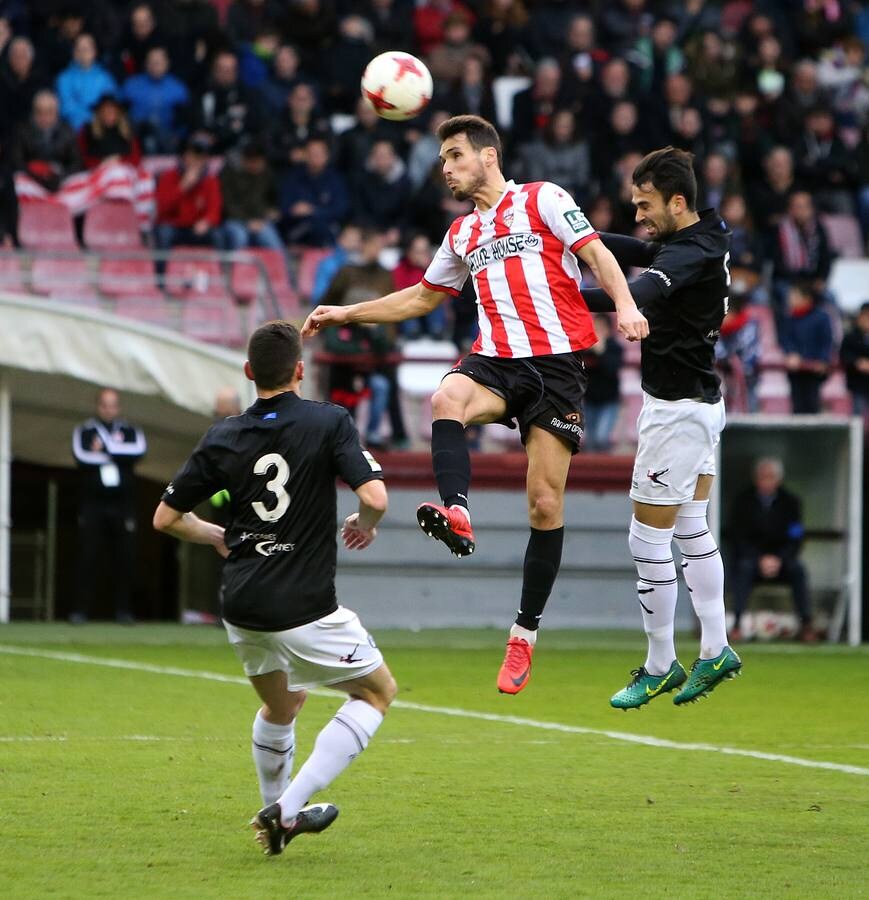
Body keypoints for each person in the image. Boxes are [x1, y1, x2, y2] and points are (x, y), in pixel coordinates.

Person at [302, 114, 647, 695]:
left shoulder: (545, 199)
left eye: (455, 156)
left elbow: (596, 255)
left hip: (556, 366)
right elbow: (420, 297)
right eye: (442, 159)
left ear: (488, 156)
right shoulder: (461, 234)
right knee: (446, 395)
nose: (447, 168)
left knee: (544, 503)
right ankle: (456, 509)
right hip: (494, 361)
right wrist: (347, 311)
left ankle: (523, 635)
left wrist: (625, 306)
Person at [153, 320, 395, 856]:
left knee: (283, 706)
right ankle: (287, 809)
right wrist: (364, 524)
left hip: (242, 603)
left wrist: (215, 533)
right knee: (377, 692)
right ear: (300, 371)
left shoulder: (224, 434)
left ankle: (272, 816)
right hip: (305, 604)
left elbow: (166, 518)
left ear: (247, 373)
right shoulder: (328, 421)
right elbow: (375, 496)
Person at [579, 146, 742, 708]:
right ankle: (716, 648)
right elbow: (640, 247)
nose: (638, 215)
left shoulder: (687, 255)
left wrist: (551, 292)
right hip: (700, 403)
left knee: (646, 538)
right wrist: (577, 237)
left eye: (645, 205)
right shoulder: (702, 236)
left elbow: (634, 293)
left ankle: (659, 664)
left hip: (675, 411)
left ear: (677, 201)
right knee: (692, 529)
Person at [71, 388, 147, 624]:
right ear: (98, 406)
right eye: (104, 405)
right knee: (88, 556)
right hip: (93, 503)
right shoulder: (85, 431)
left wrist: (105, 450)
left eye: (113, 405)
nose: (108, 409)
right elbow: (82, 456)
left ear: (118, 407)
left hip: (122, 503)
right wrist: (116, 454)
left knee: (124, 557)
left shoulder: (129, 430)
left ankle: (123, 611)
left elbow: (138, 451)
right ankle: (81, 610)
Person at [728, 458, 817, 643]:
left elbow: (796, 536)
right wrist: (760, 558)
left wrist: (778, 559)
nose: (766, 481)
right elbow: (738, 537)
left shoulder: (791, 502)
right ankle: (737, 625)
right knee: (742, 569)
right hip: (752, 559)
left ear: (779, 479)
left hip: (781, 560)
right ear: (755, 478)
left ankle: (807, 625)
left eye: (771, 477)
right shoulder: (743, 502)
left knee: (798, 570)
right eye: (763, 477)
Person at [154, 135, 222, 250]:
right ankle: (160, 269)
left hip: (197, 227)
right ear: (184, 156)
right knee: (164, 234)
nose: (197, 161)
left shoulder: (211, 180)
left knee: (219, 235)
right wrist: (183, 187)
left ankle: (224, 269)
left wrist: (207, 221)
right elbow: (162, 208)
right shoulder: (168, 176)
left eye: (201, 157)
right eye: (193, 156)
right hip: (173, 226)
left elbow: (215, 209)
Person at [218, 139, 282, 251]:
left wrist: (272, 211)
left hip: (260, 221)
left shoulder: (267, 174)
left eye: (260, 162)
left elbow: (273, 199)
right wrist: (247, 221)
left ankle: (283, 268)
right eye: (254, 162)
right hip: (234, 220)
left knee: (273, 241)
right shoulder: (230, 173)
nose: (257, 166)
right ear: (245, 160)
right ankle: (237, 268)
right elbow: (228, 205)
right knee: (240, 237)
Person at [780, 280, 834, 414]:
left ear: (806, 298)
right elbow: (785, 339)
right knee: (797, 404)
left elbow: (826, 341)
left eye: (794, 296)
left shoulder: (822, 317)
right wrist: (791, 353)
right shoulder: (789, 317)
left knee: (812, 403)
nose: (790, 299)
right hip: (795, 369)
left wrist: (822, 360)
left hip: (813, 370)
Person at [580, 314, 623, 452]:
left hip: (609, 400)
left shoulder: (615, 347)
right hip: (589, 399)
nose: (597, 331)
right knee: (590, 440)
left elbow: (612, 369)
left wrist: (601, 352)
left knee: (602, 437)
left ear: (609, 330)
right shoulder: (585, 348)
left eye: (601, 328)